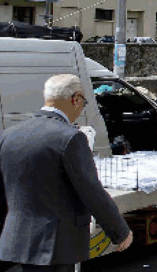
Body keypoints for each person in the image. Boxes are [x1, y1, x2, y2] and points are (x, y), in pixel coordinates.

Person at [0, 74, 133, 272]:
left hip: (16, 241)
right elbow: (91, 190)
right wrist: (120, 232)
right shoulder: (70, 138)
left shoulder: (9, 135)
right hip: (56, 245)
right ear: (76, 99)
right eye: (83, 102)